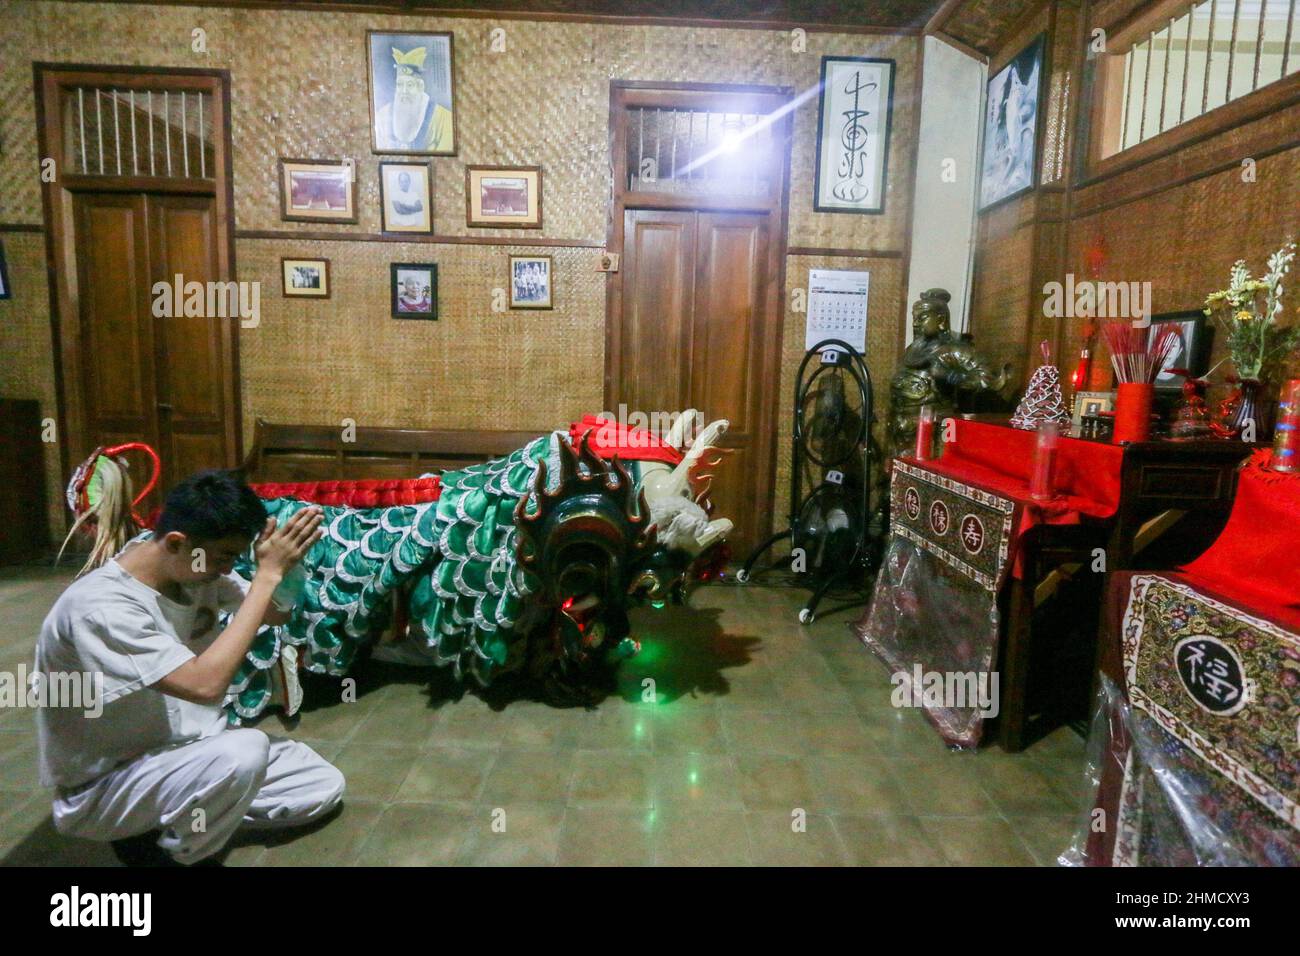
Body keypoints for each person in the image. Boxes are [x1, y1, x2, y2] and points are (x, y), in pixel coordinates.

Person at [35, 469, 342, 866]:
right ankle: (177, 855)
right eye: (225, 556)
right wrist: (265, 576)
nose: (228, 568)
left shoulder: (192, 569)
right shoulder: (100, 608)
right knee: (245, 752)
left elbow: (271, 613)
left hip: (183, 749)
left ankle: (183, 810)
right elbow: (206, 685)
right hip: (109, 782)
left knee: (320, 784)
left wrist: (284, 569)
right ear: (178, 542)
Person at [373, 44, 453, 153]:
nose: (404, 91)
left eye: (410, 85)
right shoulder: (382, 116)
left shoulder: (443, 118)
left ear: (420, 87)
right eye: (400, 85)